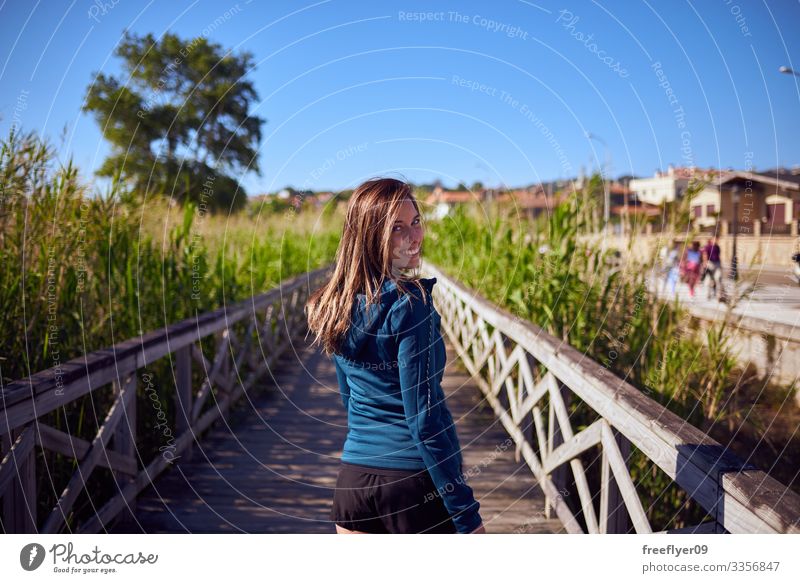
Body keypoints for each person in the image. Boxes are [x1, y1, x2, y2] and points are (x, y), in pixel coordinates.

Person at [305, 177, 485, 535]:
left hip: (353, 483)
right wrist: (466, 515)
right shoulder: (410, 304)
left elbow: (349, 397)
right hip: (411, 486)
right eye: (397, 228)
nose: (413, 236)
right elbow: (424, 419)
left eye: (415, 221)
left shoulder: (334, 305)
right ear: (371, 237)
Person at [702, 236, 723, 300]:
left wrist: (720, 265)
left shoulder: (718, 247)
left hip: (717, 263)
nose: (716, 240)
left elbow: (718, 256)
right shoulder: (708, 247)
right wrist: (705, 263)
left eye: (717, 239)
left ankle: (718, 295)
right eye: (715, 239)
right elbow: (705, 254)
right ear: (712, 239)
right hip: (710, 263)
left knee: (718, 278)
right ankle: (708, 294)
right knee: (709, 280)